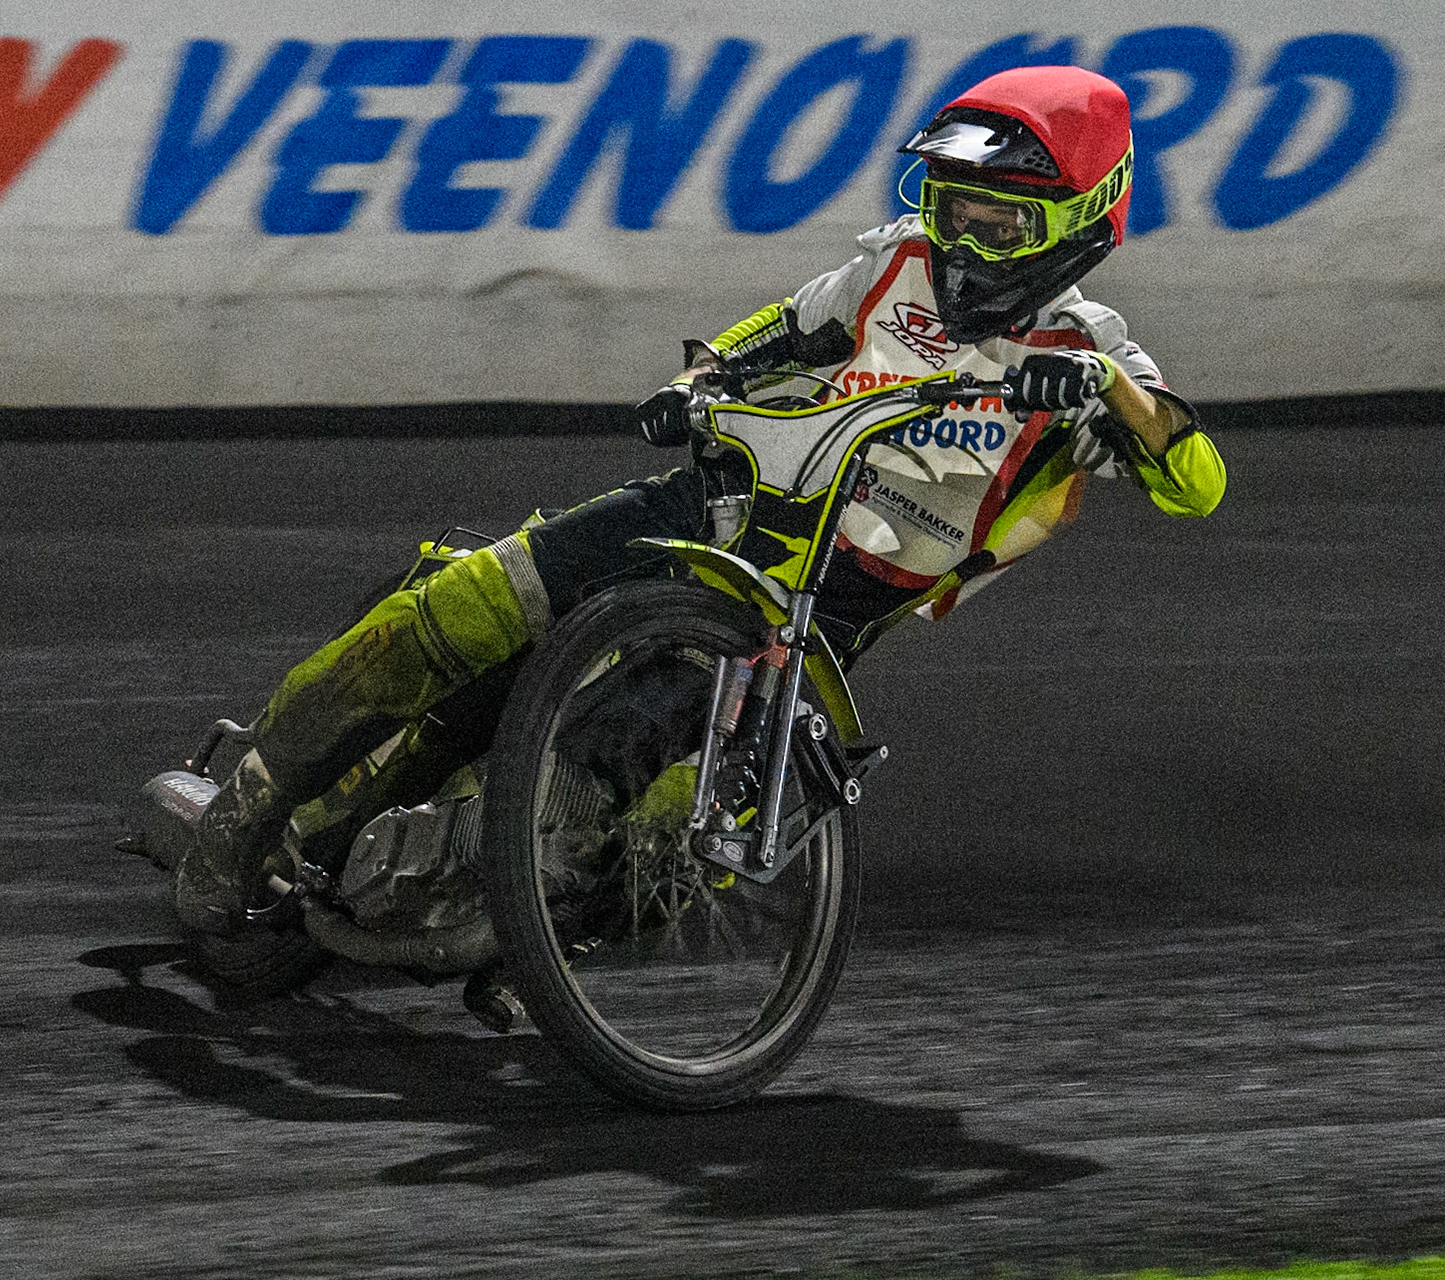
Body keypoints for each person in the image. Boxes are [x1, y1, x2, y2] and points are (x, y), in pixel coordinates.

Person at [175, 64, 1226, 938]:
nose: (964, 241)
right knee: (464, 604)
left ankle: (506, 919)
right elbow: (783, 326)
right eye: (954, 209)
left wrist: (1113, 393)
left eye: (999, 223)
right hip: (718, 502)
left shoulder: (1091, 358)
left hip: (811, 619)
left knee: (632, 805)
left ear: (1079, 222)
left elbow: (1198, 483)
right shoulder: (894, 266)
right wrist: (701, 377)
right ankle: (250, 803)